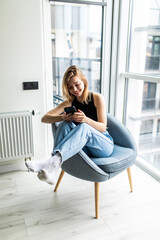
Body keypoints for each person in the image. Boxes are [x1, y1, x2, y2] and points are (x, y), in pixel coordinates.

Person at [25, 65, 114, 185]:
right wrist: (62, 117)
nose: (75, 89)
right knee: (65, 124)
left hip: (104, 145)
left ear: (84, 81)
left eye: (77, 84)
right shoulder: (70, 102)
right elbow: (44, 118)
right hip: (85, 146)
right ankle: (54, 171)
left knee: (84, 126)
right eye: (70, 87)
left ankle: (52, 163)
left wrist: (86, 120)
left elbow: (103, 127)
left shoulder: (97, 98)